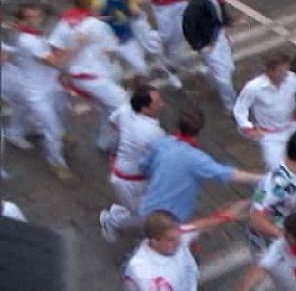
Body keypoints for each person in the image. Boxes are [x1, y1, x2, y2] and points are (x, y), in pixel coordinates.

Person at [236, 132, 296, 291]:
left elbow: (291, 183)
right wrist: (286, 237)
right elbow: (256, 220)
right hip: (271, 240)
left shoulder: (284, 169)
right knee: (291, 282)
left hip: (269, 238)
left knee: (263, 271)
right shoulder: (277, 184)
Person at [138, 108, 263, 222]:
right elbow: (228, 174)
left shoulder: (162, 143)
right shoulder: (197, 159)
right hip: (169, 219)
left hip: (147, 207)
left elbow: (143, 166)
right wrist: (262, 178)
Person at [49, 0, 129, 156]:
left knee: (108, 109)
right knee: (125, 107)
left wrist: (62, 68)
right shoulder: (96, 25)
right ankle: (127, 146)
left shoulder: (67, 22)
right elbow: (110, 48)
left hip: (80, 76)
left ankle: (106, 143)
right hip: (94, 76)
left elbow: (57, 45)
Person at [10, 3, 74, 180]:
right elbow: (55, 62)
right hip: (37, 93)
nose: (38, 20)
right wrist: (74, 46)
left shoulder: (34, 35)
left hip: (51, 85)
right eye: (32, 18)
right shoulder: (28, 40)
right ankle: (57, 162)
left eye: (38, 16)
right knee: (50, 130)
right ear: (23, 21)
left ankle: (60, 133)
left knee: (61, 112)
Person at [123, 201, 249, 291]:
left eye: (178, 235)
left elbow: (200, 225)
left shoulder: (173, 236)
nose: (179, 241)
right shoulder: (146, 276)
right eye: (171, 239)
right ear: (154, 240)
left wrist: (227, 216)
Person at [102, 0, 181, 87]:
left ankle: (157, 66)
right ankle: (159, 70)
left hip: (129, 13)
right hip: (129, 16)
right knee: (149, 44)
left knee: (146, 45)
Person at [99, 85, 166, 243]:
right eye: (157, 102)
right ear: (144, 108)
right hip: (130, 181)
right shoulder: (153, 132)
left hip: (131, 175)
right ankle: (110, 221)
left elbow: (112, 125)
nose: (162, 104)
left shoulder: (124, 110)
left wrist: (113, 152)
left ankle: (117, 214)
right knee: (144, 217)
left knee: (146, 209)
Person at [182, 0, 237, 113]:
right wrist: (199, 45)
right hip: (209, 42)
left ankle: (208, 74)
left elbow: (220, 16)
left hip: (217, 36)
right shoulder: (199, 1)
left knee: (227, 68)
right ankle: (230, 106)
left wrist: (225, 28)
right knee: (224, 77)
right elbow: (188, 24)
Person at [90, 0, 148, 82]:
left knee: (140, 67)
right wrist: (109, 18)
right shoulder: (99, 2)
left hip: (127, 37)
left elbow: (132, 13)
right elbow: (93, 19)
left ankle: (137, 84)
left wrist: (133, 11)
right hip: (111, 41)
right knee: (116, 74)